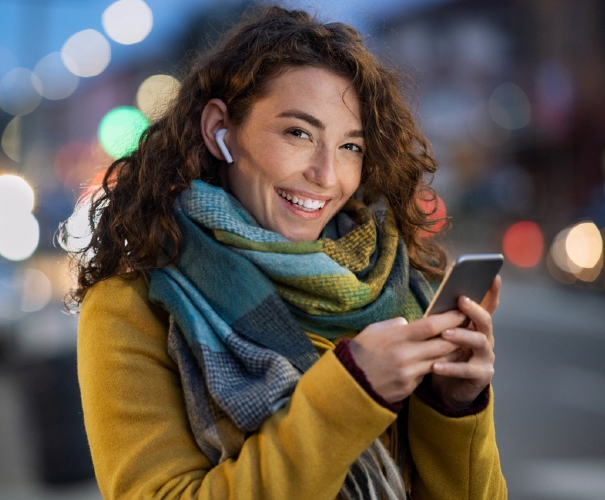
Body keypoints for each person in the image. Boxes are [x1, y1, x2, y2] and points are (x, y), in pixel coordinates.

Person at [67, 6, 507, 499]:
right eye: (298, 133)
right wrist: (350, 393)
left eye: (350, 147)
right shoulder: (132, 307)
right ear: (219, 130)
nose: (326, 174)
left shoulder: (398, 286)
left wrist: (452, 407)